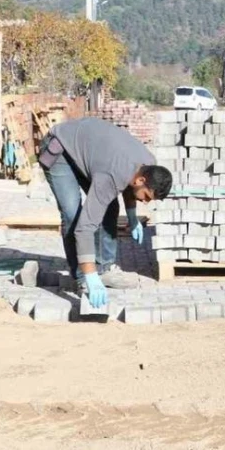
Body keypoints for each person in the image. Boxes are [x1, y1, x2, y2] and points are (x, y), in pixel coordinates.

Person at [39, 117, 173, 307]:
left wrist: (132, 216)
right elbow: (84, 229)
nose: (145, 201)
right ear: (142, 181)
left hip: (90, 152)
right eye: (147, 197)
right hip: (60, 149)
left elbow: (129, 184)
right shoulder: (111, 176)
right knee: (73, 215)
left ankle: (104, 268)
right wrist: (90, 277)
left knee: (110, 207)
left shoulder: (148, 163)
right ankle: (84, 278)